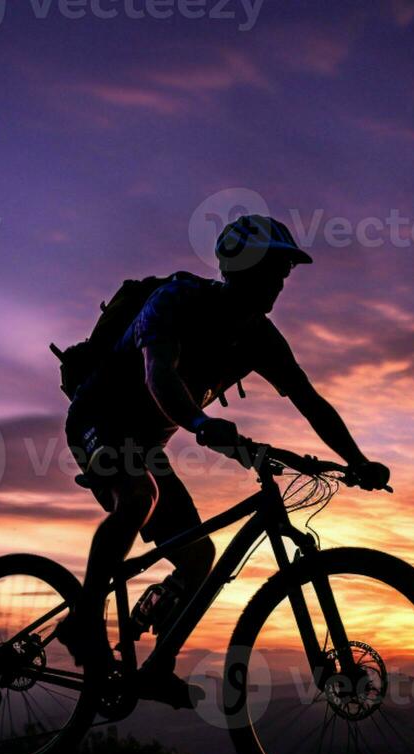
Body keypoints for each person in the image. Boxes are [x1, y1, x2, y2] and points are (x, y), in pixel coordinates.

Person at [60, 214, 390, 707]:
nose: (281, 280)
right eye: (274, 268)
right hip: (98, 419)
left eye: (286, 271)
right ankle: (84, 620)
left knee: (198, 557)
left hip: (144, 445)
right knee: (138, 495)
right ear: (244, 267)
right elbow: (159, 376)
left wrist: (357, 461)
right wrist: (199, 424)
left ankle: (155, 666)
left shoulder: (261, 337)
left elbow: (309, 400)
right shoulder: (177, 299)